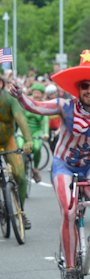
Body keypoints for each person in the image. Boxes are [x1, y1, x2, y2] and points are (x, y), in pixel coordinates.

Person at [8, 49, 90, 279]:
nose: (89, 90)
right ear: (78, 88)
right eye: (85, 85)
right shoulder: (64, 107)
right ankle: (71, 268)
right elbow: (34, 106)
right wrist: (20, 96)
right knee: (70, 211)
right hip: (63, 165)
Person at [0, 75, 33, 228]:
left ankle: (21, 211)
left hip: (8, 141)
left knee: (20, 175)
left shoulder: (9, 99)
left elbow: (20, 118)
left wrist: (28, 140)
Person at [16, 83, 48, 183]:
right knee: (20, 147)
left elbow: (46, 120)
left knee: (37, 147)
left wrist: (46, 133)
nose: (36, 95)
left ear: (42, 94)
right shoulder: (26, 100)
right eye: (35, 93)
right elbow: (19, 114)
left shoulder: (45, 104)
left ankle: (35, 169)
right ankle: (19, 168)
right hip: (24, 128)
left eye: (39, 93)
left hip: (37, 130)